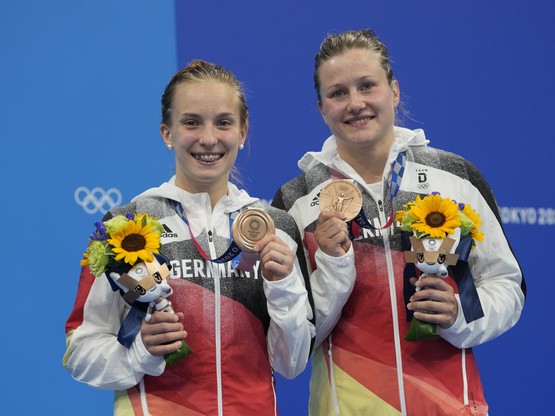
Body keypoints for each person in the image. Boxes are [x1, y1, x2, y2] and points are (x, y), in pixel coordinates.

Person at [271, 29, 526, 415]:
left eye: (367, 86)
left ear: (394, 91)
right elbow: (293, 344)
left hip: (449, 407)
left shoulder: (455, 178)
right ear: (322, 108)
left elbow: (506, 284)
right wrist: (333, 265)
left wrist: (460, 313)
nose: (355, 103)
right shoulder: (297, 202)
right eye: (338, 93)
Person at [63, 60, 315, 415]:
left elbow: (291, 364)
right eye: (192, 122)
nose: (208, 138)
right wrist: (139, 352)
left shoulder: (275, 227)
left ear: (243, 132)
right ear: (168, 133)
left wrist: (284, 286)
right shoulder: (126, 226)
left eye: (224, 123)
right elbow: (81, 349)